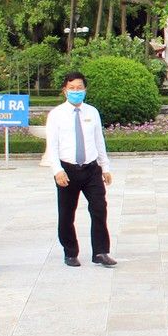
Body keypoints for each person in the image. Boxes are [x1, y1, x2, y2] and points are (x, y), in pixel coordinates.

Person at [45, 71, 115, 268]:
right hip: (67, 170)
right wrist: (57, 170)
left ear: (85, 89)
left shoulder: (92, 112)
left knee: (99, 209)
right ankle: (70, 252)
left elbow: (99, 141)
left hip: (91, 169)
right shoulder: (56, 115)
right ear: (65, 91)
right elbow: (52, 145)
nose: (76, 91)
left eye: (79, 88)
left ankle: (101, 251)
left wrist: (105, 167)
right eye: (72, 88)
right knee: (67, 213)